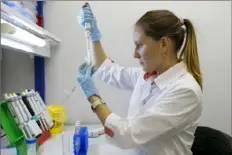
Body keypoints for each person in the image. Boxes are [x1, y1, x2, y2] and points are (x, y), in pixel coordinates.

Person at [76, 4, 203, 155]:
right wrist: (93, 35)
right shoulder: (148, 76)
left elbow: (128, 135)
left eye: (139, 45)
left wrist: (93, 97)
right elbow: (107, 70)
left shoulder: (185, 91)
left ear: (164, 44)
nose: (135, 54)